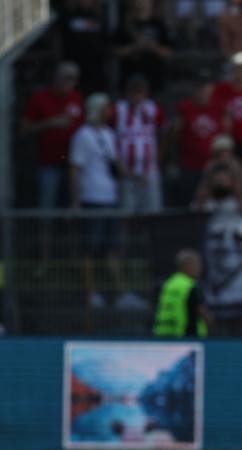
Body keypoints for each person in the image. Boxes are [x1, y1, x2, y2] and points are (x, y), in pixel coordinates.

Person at [69, 93, 126, 309]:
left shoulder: (110, 133)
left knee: (112, 248)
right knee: (89, 249)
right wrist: (75, 200)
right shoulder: (82, 135)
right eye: (105, 108)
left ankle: (120, 293)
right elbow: (74, 169)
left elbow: (116, 163)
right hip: (91, 198)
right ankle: (90, 292)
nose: (109, 112)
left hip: (110, 197)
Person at [22, 62, 84, 210]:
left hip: (73, 165)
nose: (71, 82)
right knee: (47, 206)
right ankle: (45, 233)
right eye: (67, 77)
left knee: (72, 206)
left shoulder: (77, 98)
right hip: (48, 163)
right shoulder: (39, 98)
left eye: (74, 78)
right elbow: (24, 128)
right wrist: (49, 123)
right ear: (56, 77)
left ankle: (71, 234)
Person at [171, 71, 226, 208]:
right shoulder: (185, 108)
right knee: (189, 205)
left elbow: (226, 135)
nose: (203, 91)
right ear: (194, 89)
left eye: (206, 87)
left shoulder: (219, 108)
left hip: (213, 168)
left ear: (212, 89)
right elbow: (175, 136)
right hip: (190, 166)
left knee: (211, 205)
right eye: (200, 87)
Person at [112, 75, 164, 213]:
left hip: (149, 171)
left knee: (152, 212)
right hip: (127, 172)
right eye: (134, 91)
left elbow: (162, 134)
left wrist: (157, 159)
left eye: (140, 91)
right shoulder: (118, 110)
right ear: (127, 92)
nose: (137, 95)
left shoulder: (153, 109)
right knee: (126, 213)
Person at [114, 0, 173, 93]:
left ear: (151, 3)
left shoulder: (159, 25)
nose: (142, 3)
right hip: (129, 79)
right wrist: (135, 46)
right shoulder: (124, 25)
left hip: (154, 79)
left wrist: (152, 46)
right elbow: (116, 51)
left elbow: (167, 53)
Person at [153, 249, 210, 338]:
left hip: (164, 334)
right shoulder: (190, 286)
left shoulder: (169, 283)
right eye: (197, 264)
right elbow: (201, 311)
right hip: (187, 336)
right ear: (188, 265)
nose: (200, 268)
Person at [59, 0, 109, 94]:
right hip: (74, 66)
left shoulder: (99, 17)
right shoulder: (68, 16)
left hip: (96, 68)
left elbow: (105, 40)